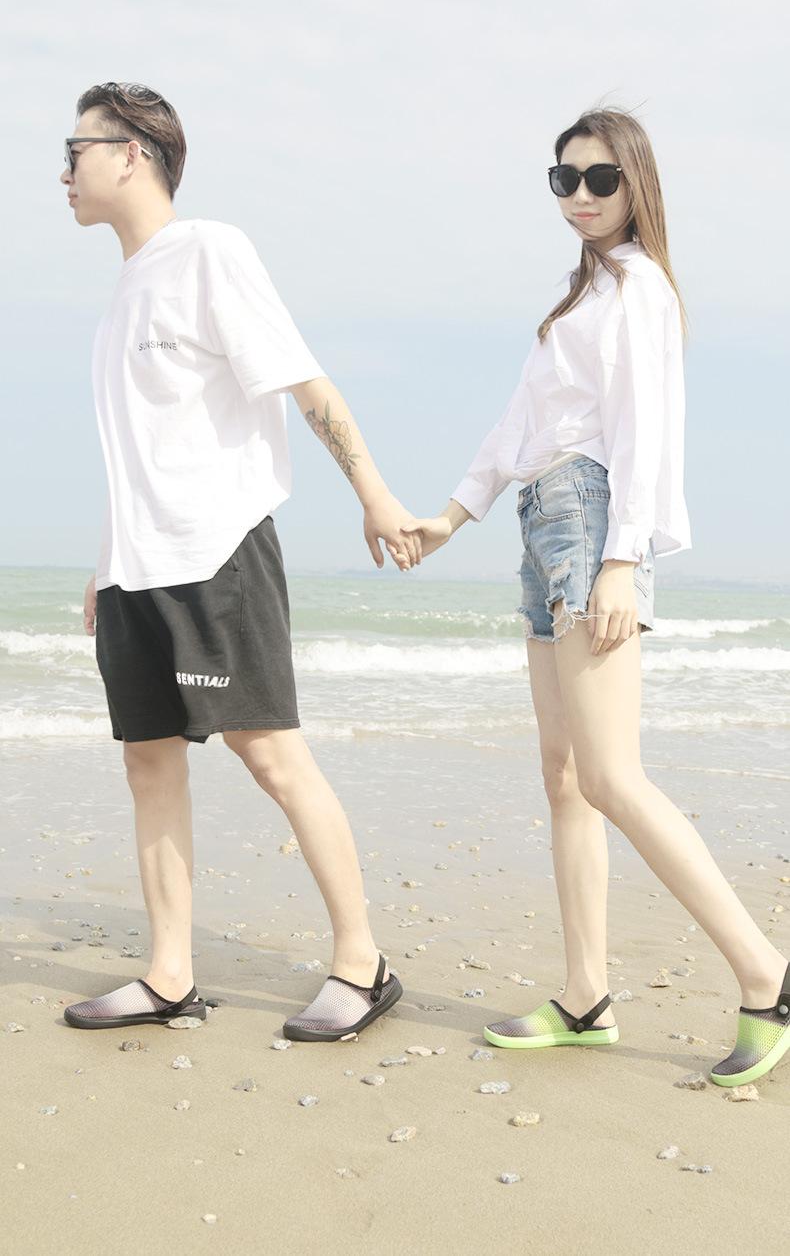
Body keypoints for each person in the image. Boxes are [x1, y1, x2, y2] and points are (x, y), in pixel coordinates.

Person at [406, 108, 790, 1088]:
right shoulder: (582, 296)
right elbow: (516, 427)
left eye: (599, 178)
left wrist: (623, 558)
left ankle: (766, 973)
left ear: (636, 185)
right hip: (544, 520)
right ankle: (585, 996)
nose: (579, 194)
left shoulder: (640, 287)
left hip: (589, 520)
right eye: (563, 178)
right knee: (565, 774)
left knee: (612, 775)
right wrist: (450, 516)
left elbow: (644, 429)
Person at [59, 81, 418, 1043]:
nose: (65, 171)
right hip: (137, 567)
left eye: (76, 149)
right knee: (148, 764)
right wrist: (107, 559)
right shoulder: (121, 293)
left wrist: (374, 492)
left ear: (131, 152)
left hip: (216, 554)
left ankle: (363, 963)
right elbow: (144, 448)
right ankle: (169, 976)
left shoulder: (209, 251)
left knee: (272, 755)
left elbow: (305, 382)